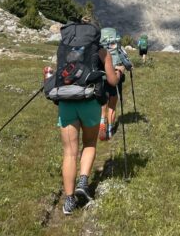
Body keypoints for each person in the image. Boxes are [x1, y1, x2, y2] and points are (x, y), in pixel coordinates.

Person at [56, 15, 120, 216]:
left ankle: (69, 200)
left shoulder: (64, 46)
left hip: (66, 102)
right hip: (90, 101)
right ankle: (83, 180)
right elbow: (112, 81)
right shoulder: (100, 51)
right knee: (90, 143)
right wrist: (118, 73)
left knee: (69, 152)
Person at [99, 28, 132, 141]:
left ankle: (102, 123)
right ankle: (109, 130)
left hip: (102, 77)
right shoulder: (119, 49)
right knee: (112, 106)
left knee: (103, 105)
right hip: (115, 76)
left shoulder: (100, 50)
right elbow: (127, 63)